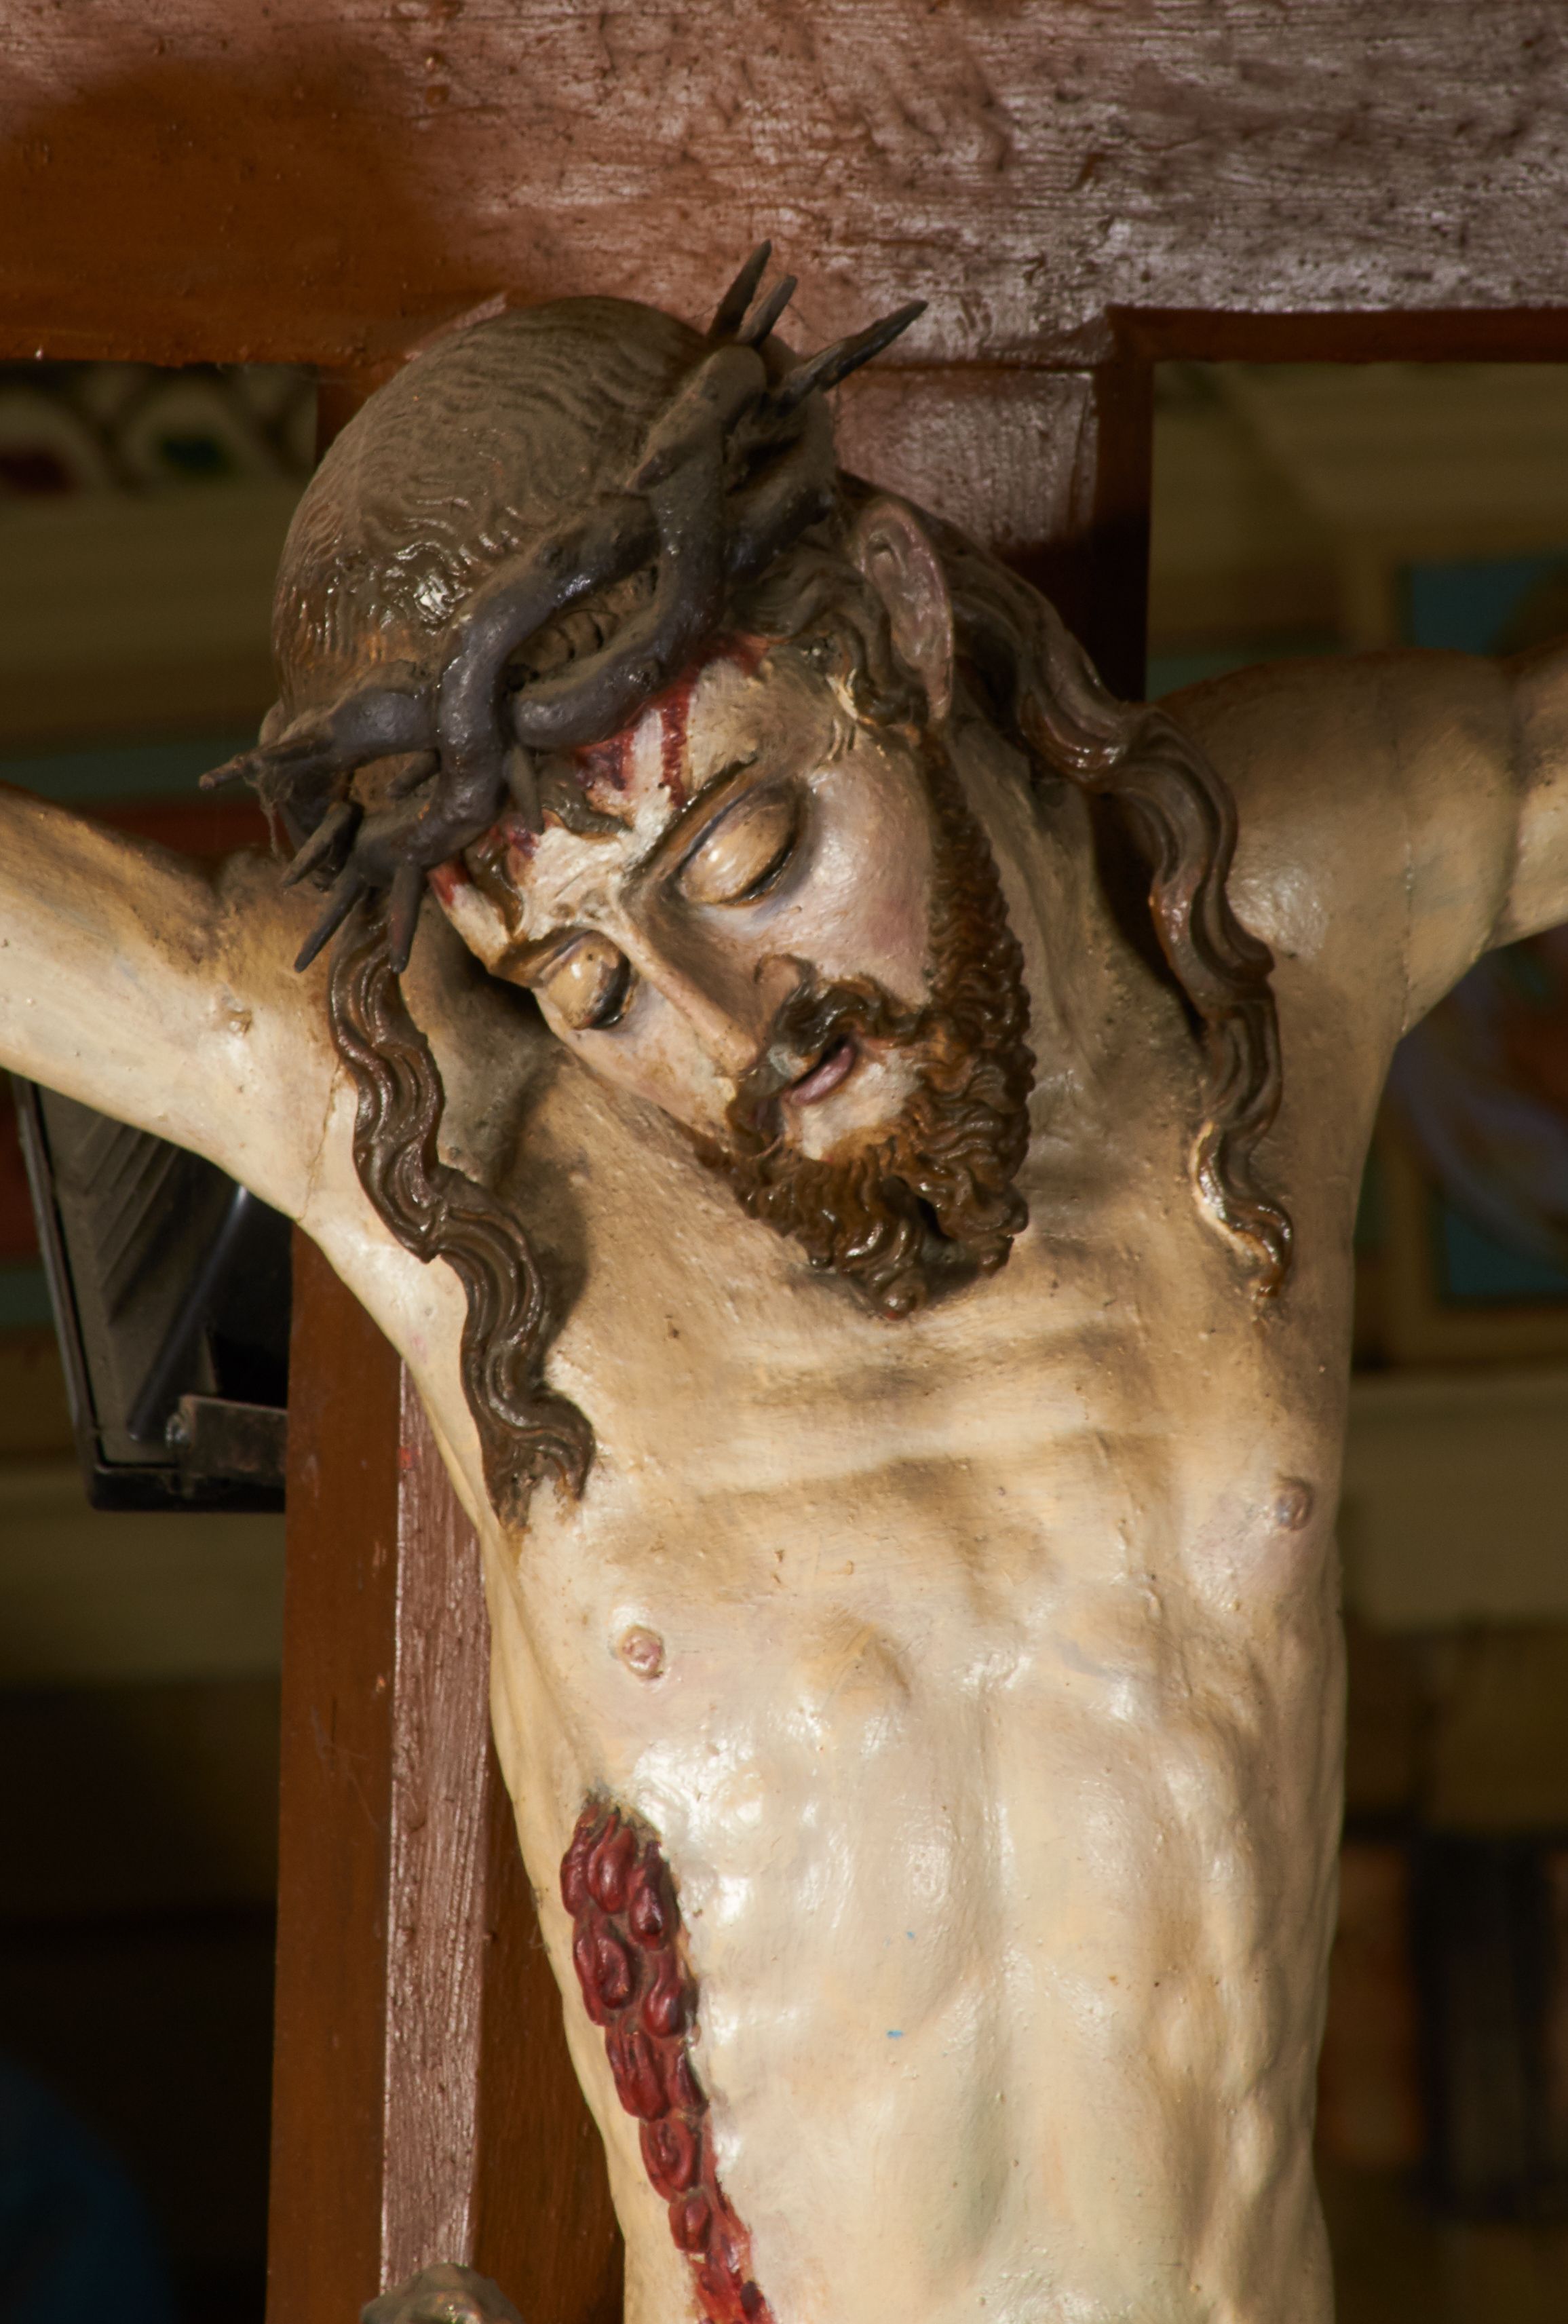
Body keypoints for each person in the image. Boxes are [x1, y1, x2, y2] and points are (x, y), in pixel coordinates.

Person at [2, 259, 1565, 2324]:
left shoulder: (1262, 919)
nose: (736, 1028)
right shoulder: (448, 1145)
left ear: (894, 622)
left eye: (749, 859)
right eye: (592, 982)